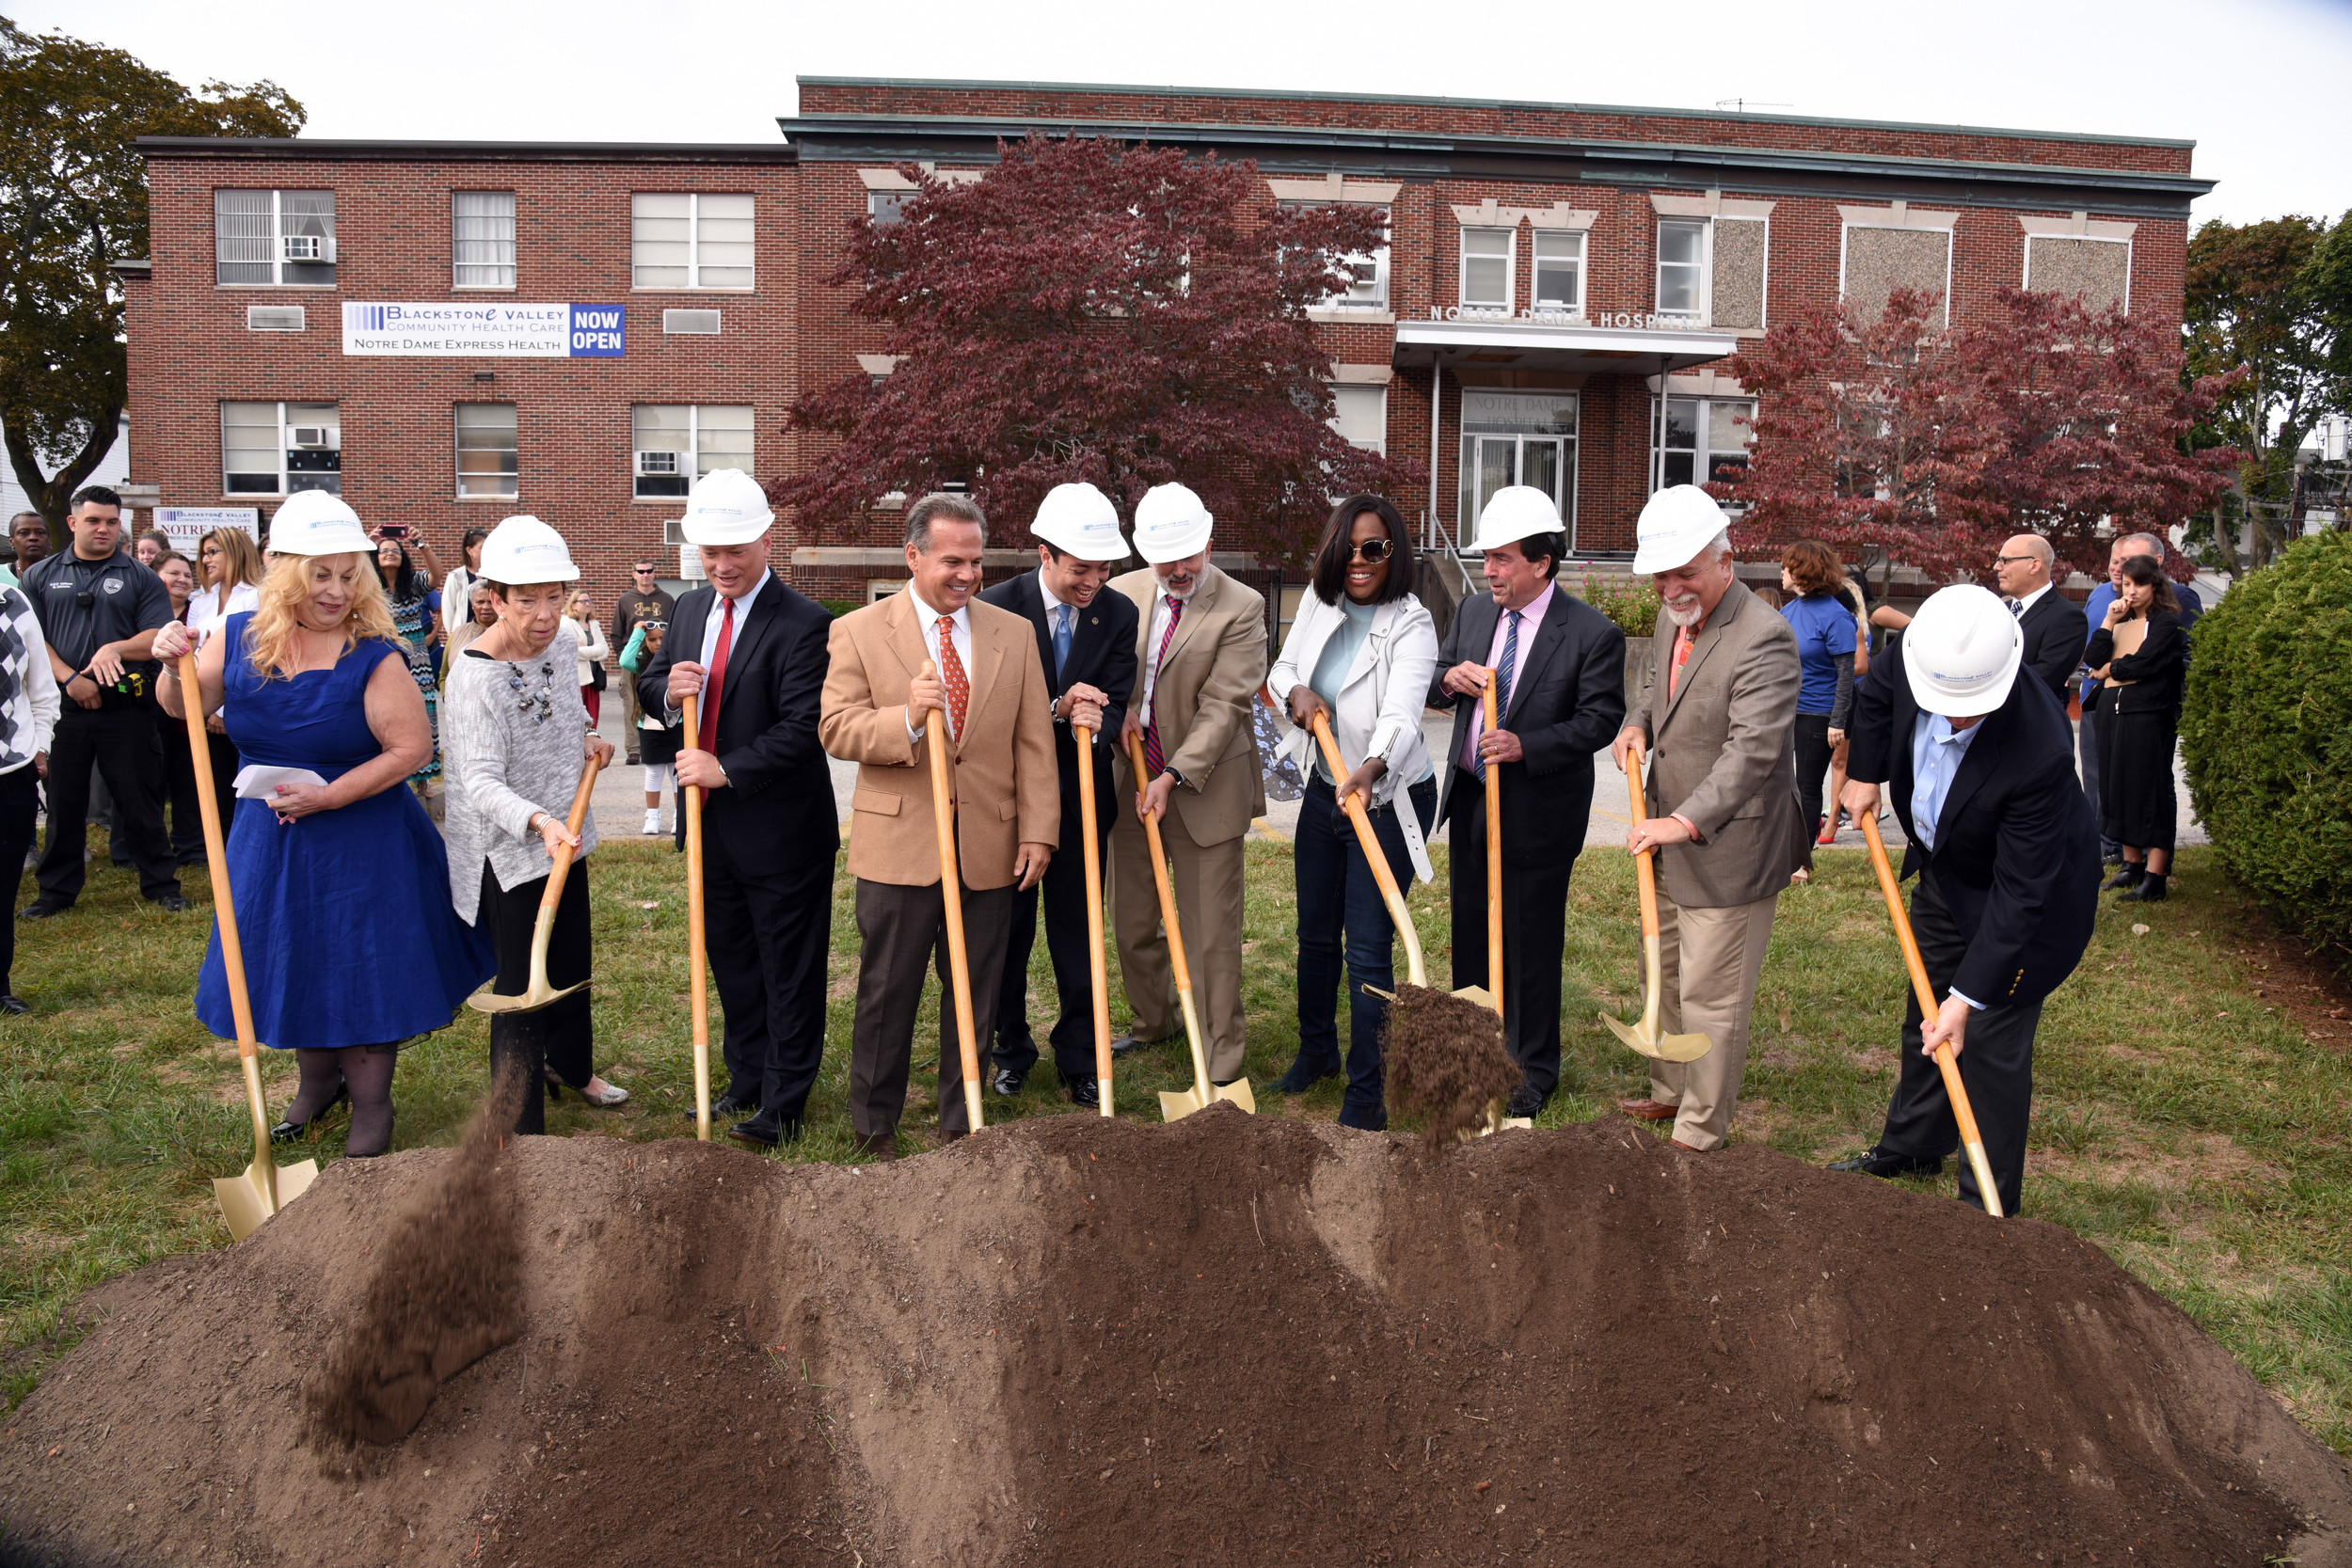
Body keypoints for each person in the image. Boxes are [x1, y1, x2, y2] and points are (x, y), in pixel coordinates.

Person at [152, 492, 494, 1158]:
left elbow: (412, 749)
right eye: (321, 574)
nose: (336, 590)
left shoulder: (374, 653)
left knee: (360, 963)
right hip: (271, 834)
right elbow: (183, 708)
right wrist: (171, 666)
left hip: (361, 838)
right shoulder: (238, 637)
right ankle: (316, 1087)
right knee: (296, 953)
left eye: (348, 574)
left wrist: (331, 796)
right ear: (285, 572)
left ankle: (372, 1106)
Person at [1830, 586, 2099, 1215]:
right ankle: (1913, 1145)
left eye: (1968, 712)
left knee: (1988, 1042)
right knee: (1925, 1014)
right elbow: (1876, 701)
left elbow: (2020, 894)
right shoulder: (1918, 653)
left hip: (2027, 909)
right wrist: (1865, 773)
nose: (1952, 720)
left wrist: (1969, 996)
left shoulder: (2041, 751)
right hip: (1946, 868)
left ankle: (1984, 1205)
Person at [820, 492, 1057, 1160]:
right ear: (913, 555)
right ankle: (874, 1125)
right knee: (886, 990)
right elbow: (835, 726)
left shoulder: (1013, 633)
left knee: (977, 990)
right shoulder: (860, 630)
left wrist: (1039, 829)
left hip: (991, 845)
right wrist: (902, 717)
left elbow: (1035, 741)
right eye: (952, 560)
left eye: (977, 562)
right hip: (899, 846)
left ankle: (963, 1121)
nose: (968, 575)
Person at [639, 469, 839, 1148]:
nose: (722, 565)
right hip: (711, 831)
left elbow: (803, 725)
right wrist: (668, 690)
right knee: (733, 959)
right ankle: (747, 1075)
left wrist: (724, 768)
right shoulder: (690, 608)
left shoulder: (805, 622)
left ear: (766, 539)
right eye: (709, 552)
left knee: (788, 967)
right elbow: (648, 682)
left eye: (736, 551)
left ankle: (785, 1099)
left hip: (782, 833)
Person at [1610, 485, 1811, 1153]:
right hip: (1665, 833)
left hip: (1727, 847)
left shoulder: (1766, 639)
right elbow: (1653, 688)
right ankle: (1669, 1091)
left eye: (1685, 572)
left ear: (1726, 558)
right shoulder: (1676, 615)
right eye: (1661, 575)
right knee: (1663, 972)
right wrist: (1636, 725)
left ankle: (1700, 1129)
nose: (1671, 587)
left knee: (1711, 995)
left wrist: (1685, 821)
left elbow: (1753, 752)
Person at [1424, 486, 1627, 1119]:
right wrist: (1448, 679)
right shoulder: (1476, 614)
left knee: (1530, 943)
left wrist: (1525, 744)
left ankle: (1532, 1067)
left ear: (1542, 562)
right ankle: (1472, 1053)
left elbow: (1600, 721)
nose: (1489, 571)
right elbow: (1434, 675)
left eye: (1503, 559)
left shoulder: (1592, 633)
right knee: (1470, 935)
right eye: (1487, 558)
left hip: (1538, 811)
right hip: (1471, 801)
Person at [444, 515, 628, 1129]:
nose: (546, 614)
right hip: (512, 850)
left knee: (573, 966)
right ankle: (520, 1126)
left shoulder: (566, 642)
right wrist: (539, 821)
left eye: (556, 596)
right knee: (524, 986)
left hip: (567, 837)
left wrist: (588, 740)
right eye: (527, 600)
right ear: (495, 599)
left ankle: (573, 1067)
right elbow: (478, 781)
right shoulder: (475, 678)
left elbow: (567, 715)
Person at [1266, 494, 1440, 1129]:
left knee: (1367, 948)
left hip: (1387, 795)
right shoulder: (1319, 600)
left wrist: (1371, 768)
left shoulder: (1412, 623)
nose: (1360, 560)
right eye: (1350, 548)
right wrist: (1296, 693)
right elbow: (1285, 665)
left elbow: (1400, 713)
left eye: (1375, 548)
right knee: (1315, 932)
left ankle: (1366, 1094)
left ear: (1393, 552)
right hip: (1325, 783)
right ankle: (1317, 1052)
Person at [977, 483, 1138, 1106]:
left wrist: (1101, 717)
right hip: (1012, 802)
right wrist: (1056, 706)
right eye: (1080, 568)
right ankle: (1009, 1049)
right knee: (1008, 931)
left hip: (1082, 800)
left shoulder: (1119, 614)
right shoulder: (995, 606)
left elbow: (1118, 696)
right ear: (1044, 554)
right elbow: (989, 711)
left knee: (1076, 930)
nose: (1094, 580)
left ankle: (1080, 1055)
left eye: (1104, 567)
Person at [1105, 483, 1267, 1084]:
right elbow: (1108, 669)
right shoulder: (1122, 593)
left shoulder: (1242, 607)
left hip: (1202, 786)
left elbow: (1225, 704)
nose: (1177, 569)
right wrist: (1114, 704)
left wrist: (1174, 774)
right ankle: (1156, 1022)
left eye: (1188, 555)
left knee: (1210, 937)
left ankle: (1220, 1059)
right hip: (1129, 779)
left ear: (1208, 540)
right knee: (1131, 920)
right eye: (1164, 558)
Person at [19, 485, 184, 917]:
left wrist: (117, 648)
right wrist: (70, 678)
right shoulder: (39, 575)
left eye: (112, 521)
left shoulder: (141, 576)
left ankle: (161, 885)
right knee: (63, 804)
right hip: (65, 709)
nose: (104, 529)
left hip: (126, 708)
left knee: (140, 800)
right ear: (73, 523)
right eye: (93, 521)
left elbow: (158, 635)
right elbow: (31, 640)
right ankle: (55, 892)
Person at [2079, 532, 2201, 865]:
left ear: (2156, 579)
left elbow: (2152, 660)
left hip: (2148, 713)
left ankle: (2154, 869)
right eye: (2125, 580)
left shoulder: (2170, 614)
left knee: (2149, 789)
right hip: (2110, 710)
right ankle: (2125, 860)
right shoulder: (2118, 612)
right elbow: (2093, 655)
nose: (2129, 589)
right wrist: (2109, 621)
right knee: (2113, 787)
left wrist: (2109, 670)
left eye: (2138, 583)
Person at [0, 577, 60, 1010]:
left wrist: (40, 745)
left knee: (3, 887)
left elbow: (40, 689)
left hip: (12, 771)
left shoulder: (13, 602)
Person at [1779, 539, 1856, 846]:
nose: (1782, 571)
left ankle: (1802, 859)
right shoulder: (1789, 610)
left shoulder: (1836, 617)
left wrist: (1838, 721)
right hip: (1788, 710)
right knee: (1782, 785)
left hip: (1818, 714)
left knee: (1806, 787)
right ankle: (1781, 848)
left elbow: (1846, 673)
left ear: (1803, 571)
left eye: (1788, 565)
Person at [148, 551, 212, 867]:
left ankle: (191, 847)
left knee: (188, 784)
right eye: (174, 573)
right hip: (150, 712)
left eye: (188, 575)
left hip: (189, 720)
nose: (183, 580)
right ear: (155, 576)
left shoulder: (197, 613)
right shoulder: (146, 612)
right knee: (150, 785)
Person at [373, 536, 443, 795]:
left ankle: (424, 779)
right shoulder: (369, 587)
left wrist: (422, 544)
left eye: (395, 550)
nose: (390, 553)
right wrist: (366, 542)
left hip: (416, 657)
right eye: (383, 551)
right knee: (391, 714)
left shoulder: (413, 584)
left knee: (425, 714)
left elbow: (437, 575)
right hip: (385, 655)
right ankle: (397, 776)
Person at [1992, 533, 2089, 700]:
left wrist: (1984, 686)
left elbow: (2043, 679)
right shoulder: (1999, 611)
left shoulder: (2067, 618)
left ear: (2034, 565)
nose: (1996, 567)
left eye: (2005, 560)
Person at [618, 619, 681, 835]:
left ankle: (679, 815)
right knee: (653, 772)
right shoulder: (641, 662)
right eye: (652, 639)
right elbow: (625, 660)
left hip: (677, 724)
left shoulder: (676, 659)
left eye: (662, 639)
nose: (657, 643)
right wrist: (637, 632)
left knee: (677, 772)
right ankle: (652, 815)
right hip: (649, 725)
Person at [612, 559, 675, 768]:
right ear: (634, 574)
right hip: (635, 660)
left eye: (649, 571)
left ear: (654, 574)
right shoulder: (626, 599)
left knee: (664, 700)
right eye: (641, 571)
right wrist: (624, 657)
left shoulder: (666, 599)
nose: (645, 574)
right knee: (632, 703)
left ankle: (664, 743)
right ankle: (633, 750)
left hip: (662, 660)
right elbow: (617, 632)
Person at [440, 527, 488, 652]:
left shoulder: (493, 576)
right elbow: (448, 608)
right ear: (469, 550)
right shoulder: (456, 577)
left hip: (489, 633)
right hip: (464, 636)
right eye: (482, 547)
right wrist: (452, 633)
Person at [566, 589, 609, 728]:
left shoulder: (594, 624)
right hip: (578, 678)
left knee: (592, 717)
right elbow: (572, 651)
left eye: (589, 601)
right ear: (573, 605)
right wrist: (595, 650)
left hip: (594, 677)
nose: (587, 604)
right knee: (577, 718)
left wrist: (585, 650)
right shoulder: (567, 624)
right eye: (583, 601)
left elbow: (605, 650)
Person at [8, 512, 51, 578]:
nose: (33, 537)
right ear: (11, 541)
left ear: (49, 540)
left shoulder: (65, 574)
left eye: (40, 532)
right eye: (24, 533)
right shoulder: (2, 575)